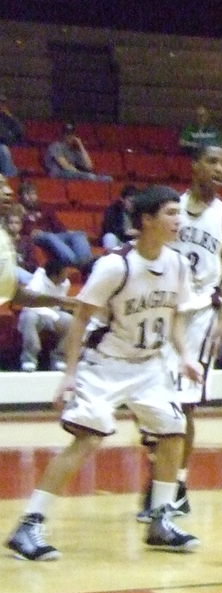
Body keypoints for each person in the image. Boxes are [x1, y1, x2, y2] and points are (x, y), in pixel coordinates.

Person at [6, 186, 203, 561]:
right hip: (107, 365)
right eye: (171, 214)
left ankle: (160, 519)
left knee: (173, 432)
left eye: (180, 214)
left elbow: (174, 315)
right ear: (146, 220)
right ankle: (29, 525)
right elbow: (81, 317)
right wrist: (69, 373)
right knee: (87, 440)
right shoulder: (116, 265)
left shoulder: (177, 263)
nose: (179, 221)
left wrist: (185, 355)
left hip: (150, 366)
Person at [138, 142, 222, 522]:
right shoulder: (172, 209)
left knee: (184, 402)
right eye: (212, 161)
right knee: (151, 399)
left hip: (200, 313)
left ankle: (177, 486)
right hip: (164, 310)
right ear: (194, 165)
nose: (219, 168)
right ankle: (162, 478)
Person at [19, 181, 93, 272]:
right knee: (50, 235)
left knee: (79, 234)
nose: (30, 197)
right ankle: (73, 262)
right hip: (35, 237)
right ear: (21, 196)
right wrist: (30, 230)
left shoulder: (44, 207)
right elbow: (20, 227)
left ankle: (86, 262)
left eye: (33, 193)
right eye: (26, 194)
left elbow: (57, 225)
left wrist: (67, 232)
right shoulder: (19, 209)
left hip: (52, 235)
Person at [18, 260, 71, 372]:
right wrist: (54, 315)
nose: (67, 276)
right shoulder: (37, 282)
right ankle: (29, 360)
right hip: (35, 313)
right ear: (54, 275)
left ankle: (59, 358)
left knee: (71, 321)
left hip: (53, 314)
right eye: (64, 273)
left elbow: (60, 303)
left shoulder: (66, 283)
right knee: (29, 317)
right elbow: (30, 305)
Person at [43, 123, 111, 181]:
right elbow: (65, 165)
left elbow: (89, 166)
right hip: (58, 174)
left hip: (72, 174)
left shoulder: (74, 149)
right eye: (67, 134)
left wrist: (81, 146)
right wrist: (81, 174)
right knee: (89, 176)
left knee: (107, 178)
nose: (69, 136)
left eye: (71, 134)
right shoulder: (55, 146)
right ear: (63, 135)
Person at [101, 184, 140, 250]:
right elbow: (109, 229)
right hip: (119, 241)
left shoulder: (141, 210)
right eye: (131, 201)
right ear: (122, 199)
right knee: (109, 237)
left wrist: (139, 232)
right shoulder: (113, 210)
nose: (134, 204)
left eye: (136, 202)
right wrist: (125, 232)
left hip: (135, 242)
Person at [0, 92, 24, 177]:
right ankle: (9, 176)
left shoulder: (7, 118)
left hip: (5, 145)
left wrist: (10, 116)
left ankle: (10, 175)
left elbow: (20, 132)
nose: (1, 106)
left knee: (5, 150)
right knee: (4, 150)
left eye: (2, 103)